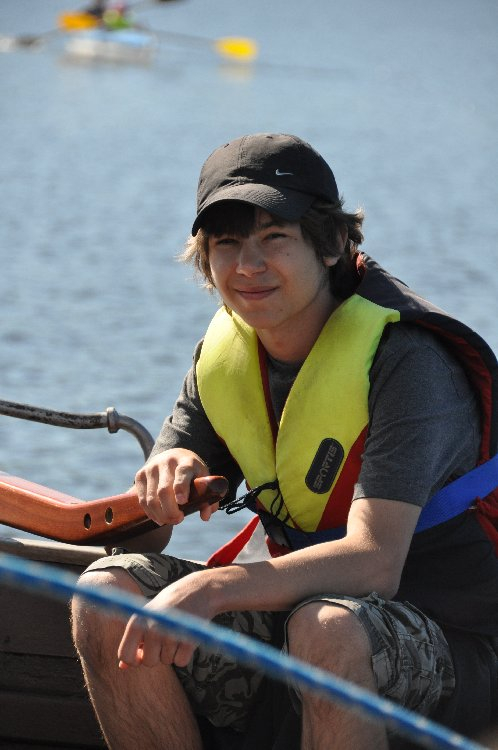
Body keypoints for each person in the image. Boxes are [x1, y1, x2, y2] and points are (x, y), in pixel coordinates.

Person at [71, 133, 498, 750]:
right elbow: (148, 538)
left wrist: (213, 587)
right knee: (106, 596)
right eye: (226, 244)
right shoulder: (225, 357)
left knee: (325, 630)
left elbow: (376, 562)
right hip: (303, 620)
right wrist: (164, 481)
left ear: (330, 243)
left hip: (459, 647)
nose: (248, 266)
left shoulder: (408, 361)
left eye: (274, 238)